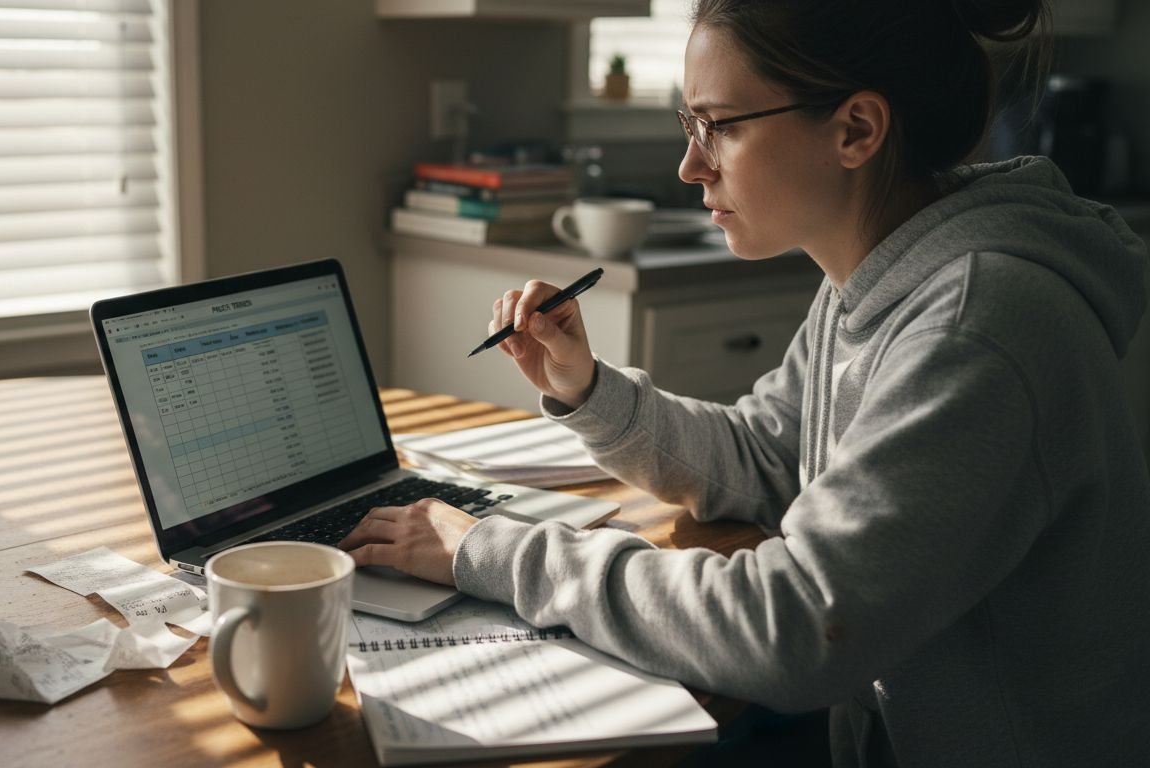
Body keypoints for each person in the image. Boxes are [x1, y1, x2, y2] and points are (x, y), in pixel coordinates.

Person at [339, 0, 1150, 765]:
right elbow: (767, 455)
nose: (691, 165)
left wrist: (490, 551)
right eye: (691, 125)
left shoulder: (977, 324)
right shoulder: (875, 280)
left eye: (718, 126)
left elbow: (795, 627)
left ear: (857, 130)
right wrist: (590, 389)